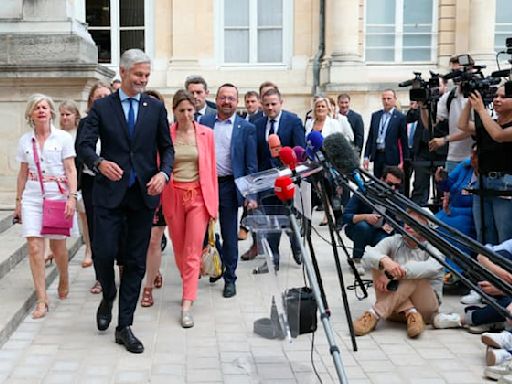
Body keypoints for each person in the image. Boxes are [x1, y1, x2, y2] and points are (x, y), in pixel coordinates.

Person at [77, 49, 174, 353]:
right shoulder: (103, 107)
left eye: (147, 76)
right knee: (104, 254)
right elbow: (83, 144)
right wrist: (99, 163)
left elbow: (167, 149)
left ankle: (125, 326)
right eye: (138, 76)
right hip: (108, 194)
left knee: (135, 262)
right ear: (123, 72)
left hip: (142, 197)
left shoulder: (155, 108)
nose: (143, 81)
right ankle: (108, 294)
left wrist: (164, 174)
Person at [14, 94, 79, 319]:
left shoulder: (62, 138)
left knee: (58, 248)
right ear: (31, 114)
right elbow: (22, 173)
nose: (41, 110)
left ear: (51, 112)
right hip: (33, 196)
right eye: (37, 108)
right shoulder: (25, 141)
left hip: (57, 195)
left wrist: (72, 197)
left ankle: (63, 275)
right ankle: (42, 299)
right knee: (34, 247)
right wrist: (18, 202)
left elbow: (71, 169)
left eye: (45, 107)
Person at [161, 89, 218, 327]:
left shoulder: (206, 134)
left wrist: (212, 207)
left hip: (198, 197)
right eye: (181, 110)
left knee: (193, 250)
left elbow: (212, 170)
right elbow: (160, 164)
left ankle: (187, 303)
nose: (186, 115)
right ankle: (189, 283)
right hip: (173, 195)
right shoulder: (166, 135)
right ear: (174, 111)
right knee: (180, 249)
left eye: (190, 110)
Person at [200, 83, 258, 298]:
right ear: (216, 100)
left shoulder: (246, 128)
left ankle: (230, 278)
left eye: (231, 98)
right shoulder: (204, 122)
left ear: (237, 101)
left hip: (228, 187)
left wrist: (251, 194)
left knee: (229, 234)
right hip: (206, 185)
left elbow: (251, 165)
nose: (227, 101)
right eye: (223, 97)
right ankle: (217, 263)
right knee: (202, 233)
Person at [353, 209, 444, 338]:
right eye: (407, 220)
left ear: (426, 226)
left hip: (426, 309)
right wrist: (385, 261)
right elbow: (367, 255)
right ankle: (410, 312)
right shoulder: (395, 241)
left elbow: (432, 267)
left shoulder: (436, 246)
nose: (408, 224)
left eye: (414, 222)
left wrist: (393, 273)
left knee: (413, 272)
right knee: (378, 262)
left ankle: (374, 313)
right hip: (394, 311)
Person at [251, 87, 306, 273]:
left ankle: (297, 249)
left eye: (273, 104)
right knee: (271, 223)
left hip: (288, 183)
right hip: (267, 183)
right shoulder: (257, 124)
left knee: (290, 221)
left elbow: (300, 152)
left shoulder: (293, 121)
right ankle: (272, 259)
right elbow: (256, 155)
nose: (270, 108)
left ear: (281, 103)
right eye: (266, 105)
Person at [458, 86, 512, 245]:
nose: (497, 99)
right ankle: (485, 268)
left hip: (506, 183)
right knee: (484, 231)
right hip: (483, 180)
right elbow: (462, 125)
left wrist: (481, 110)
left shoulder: (494, 124)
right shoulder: (490, 122)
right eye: (495, 96)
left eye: (503, 96)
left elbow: (499, 135)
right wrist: (470, 102)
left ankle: (505, 269)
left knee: (505, 233)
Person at [75, 81, 112, 294]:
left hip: (116, 182)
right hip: (92, 183)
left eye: (106, 96)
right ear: (91, 102)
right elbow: (81, 151)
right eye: (97, 97)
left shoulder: (120, 120)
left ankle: (122, 269)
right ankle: (101, 278)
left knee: (119, 230)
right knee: (97, 233)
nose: (102, 100)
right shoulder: (86, 123)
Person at [342, 166, 404, 274]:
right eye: (389, 184)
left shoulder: (397, 198)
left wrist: (392, 226)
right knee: (363, 227)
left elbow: (401, 224)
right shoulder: (365, 190)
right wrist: (365, 217)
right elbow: (346, 216)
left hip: (381, 233)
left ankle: (381, 262)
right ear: (381, 179)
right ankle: (357, 259)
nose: (393, 188)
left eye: (397, 186)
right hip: (359, 229)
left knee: (389, 240)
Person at [139, 89, 169, 308]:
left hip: (163, 190)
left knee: (153, 239)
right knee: (142, 240)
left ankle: (147, 287)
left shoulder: (167, 131)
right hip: (137, 190)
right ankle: (154, 270)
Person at [363, 89, 408, 179]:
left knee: (390, 181)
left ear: (395, 99)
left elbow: (404, 141)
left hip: (392, 157)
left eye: (389, 99)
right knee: (377, 181)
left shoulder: (400, 117)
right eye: (384, 99)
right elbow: (371, 137)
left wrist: (404, 161)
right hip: (378, 155)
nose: (386, 101)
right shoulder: (376, 115)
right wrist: (366, 156)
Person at [337, 93, 364, 159]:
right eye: (342, 103)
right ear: (338, 103)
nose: (344, 105)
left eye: (346, 102)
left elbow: (359, 138)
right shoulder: (334, 117)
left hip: (351, 154)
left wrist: (356, 154)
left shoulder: (357, 117)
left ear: (349, 103)